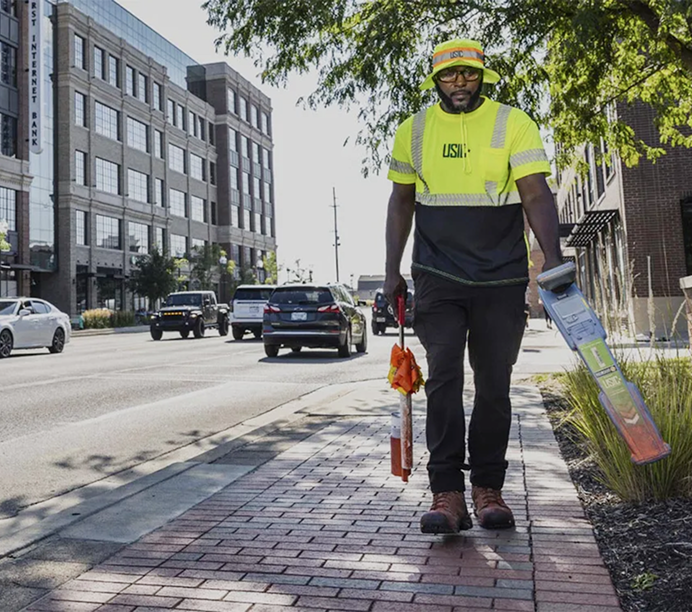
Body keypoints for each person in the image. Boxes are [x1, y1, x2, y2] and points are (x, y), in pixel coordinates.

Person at [384, 38, 563, 533]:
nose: (459, 82)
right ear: (435, 80)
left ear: (481, 76)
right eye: (449, 75)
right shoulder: (413, 130)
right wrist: (391, 269)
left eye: (467, 73)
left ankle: (488, 488)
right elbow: (401, 203)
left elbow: (536, 193)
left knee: (493, 385)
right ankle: (446, 494)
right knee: (443, 378)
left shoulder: (513, 122)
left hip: (502, 276)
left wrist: (554, 258)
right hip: (436, 274)